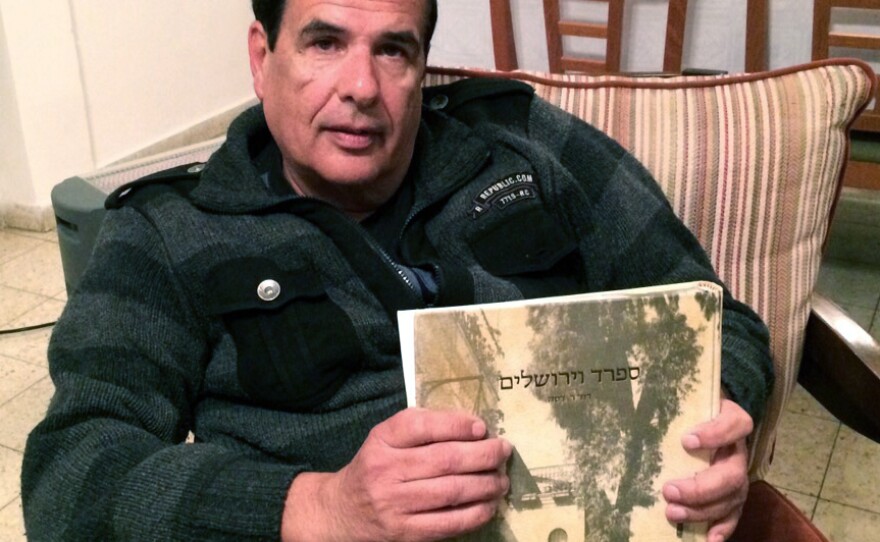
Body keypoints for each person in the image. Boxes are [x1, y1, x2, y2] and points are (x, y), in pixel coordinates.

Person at [21, 1, 773, 541]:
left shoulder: (524, 142)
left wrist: (723, 409)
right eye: (324, 42)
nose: (360, 86)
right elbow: (69, 475)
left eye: (393, 49)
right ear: (261, 56)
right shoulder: (166, 230)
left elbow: (713, 313)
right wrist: (317, 508)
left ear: (421, 65)